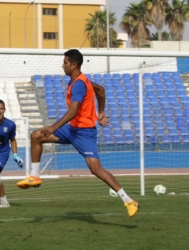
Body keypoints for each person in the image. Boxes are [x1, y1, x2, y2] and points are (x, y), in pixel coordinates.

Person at [16, 49, 139, 218]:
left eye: (65, 63)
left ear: (74, 65)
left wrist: (53, 127)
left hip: (84, 133)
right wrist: (101, 112)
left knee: (95, 169)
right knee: (36, 136)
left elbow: (73, 110)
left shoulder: (80, 84)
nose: (62, 66)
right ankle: (35, 177)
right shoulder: (81, 81)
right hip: (72, 129)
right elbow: (100, 90)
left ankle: (129, 201)